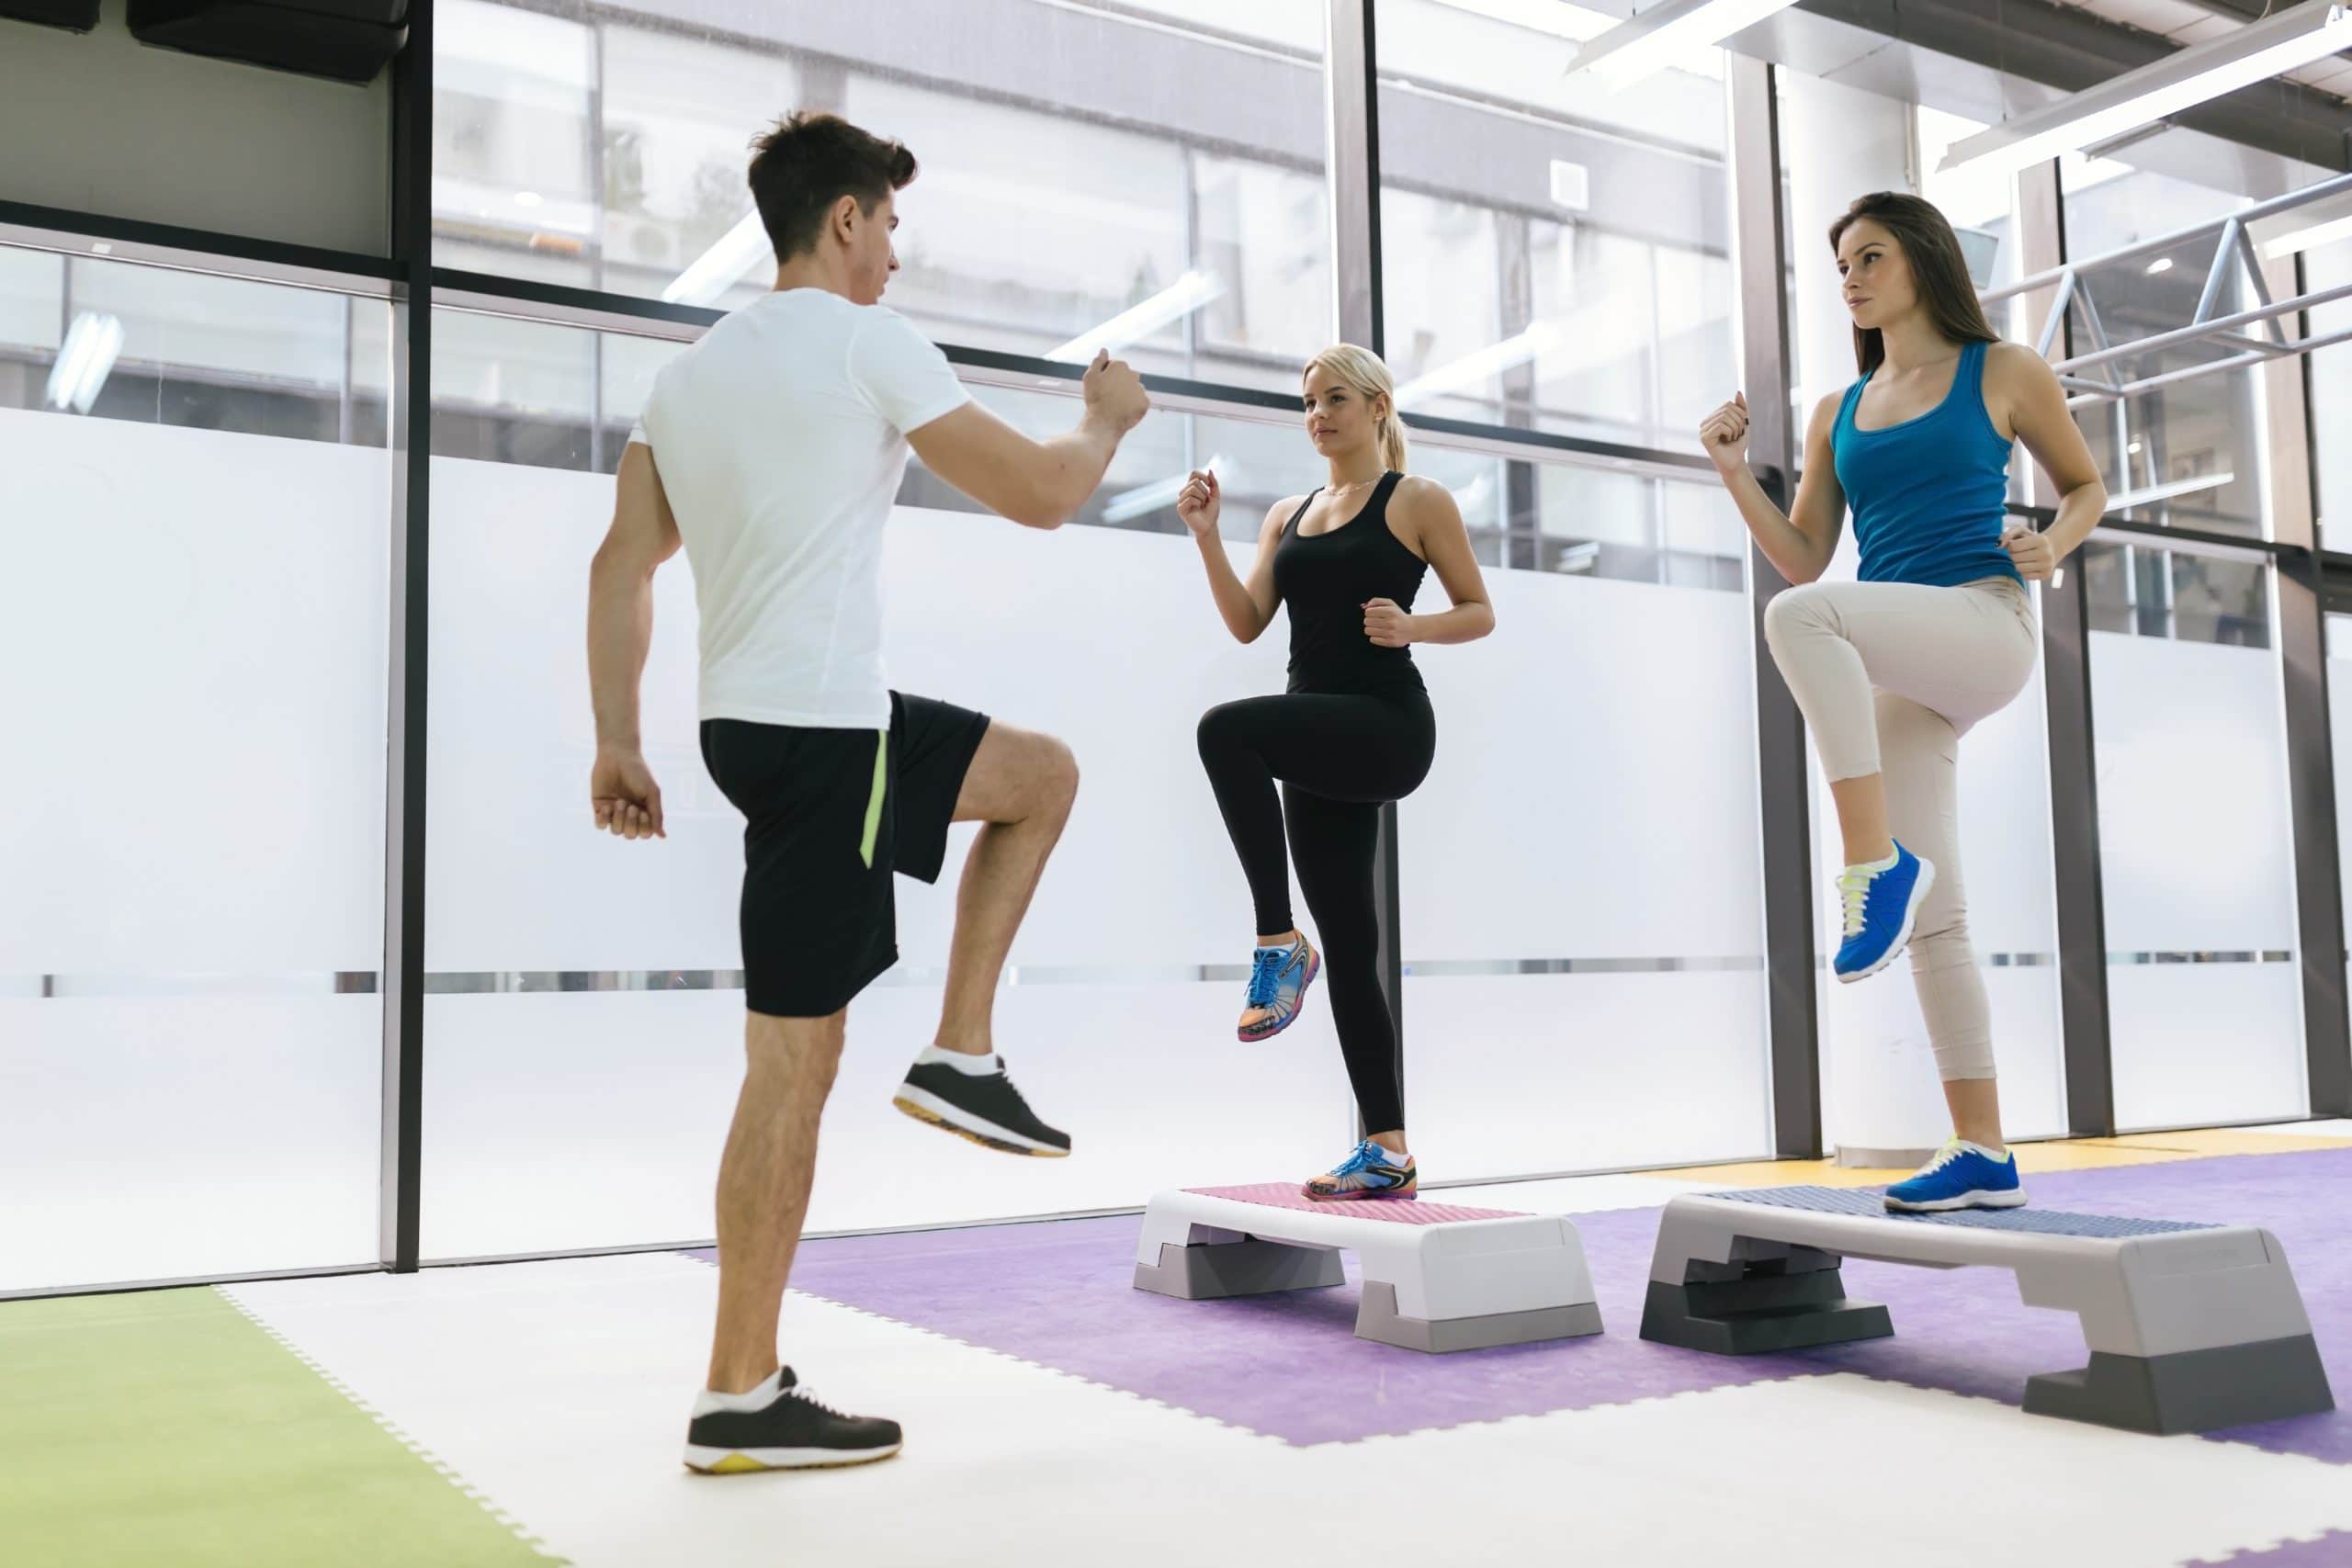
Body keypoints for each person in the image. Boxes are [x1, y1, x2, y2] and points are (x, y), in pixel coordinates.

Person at [585, 111, 1149, 1472]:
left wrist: (618, 740)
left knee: (1037, 774)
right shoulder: (863, 341)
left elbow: (622, 566)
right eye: (888, 225)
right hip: (832, 734)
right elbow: (1040, 495)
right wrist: (1105, 417)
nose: (895, 252)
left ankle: (953, 1060)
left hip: (751, 734)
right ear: (842, 219)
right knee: (791, 1062)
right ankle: (746, 1372)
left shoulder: (690, 378)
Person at [1699, 191, 2105, 1213]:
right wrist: (1731, 472)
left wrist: (2050, 544)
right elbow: (1803, 554)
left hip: (1981, 620)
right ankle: (1983, 1149)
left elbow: (2084, 485)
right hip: (1898, 664)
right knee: (1939, 922)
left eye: (1869, 256)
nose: (1851, 277)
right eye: (1840, 265)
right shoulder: (1838, 410)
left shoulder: (2001, 369)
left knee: (1802, 622)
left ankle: (1872, 859)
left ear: (1920, 259)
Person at [1179, 344, 1494, 1201]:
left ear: (1379, 406)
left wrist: (1414, 626)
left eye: (1336, 400)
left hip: (1387, 724)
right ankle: (1387, 1148)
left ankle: (1278, 943)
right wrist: (1208, 538)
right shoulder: (1288, 512)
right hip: (1317, 732)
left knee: (1224, 732)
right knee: (1354, 947)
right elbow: (1248, 623)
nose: (1318, 415)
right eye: (1309, 402)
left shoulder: (1415, 500)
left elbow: (1479, 610)